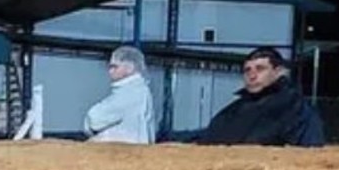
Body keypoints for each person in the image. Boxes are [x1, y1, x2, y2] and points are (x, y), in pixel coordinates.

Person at [161, 47, 324, 147]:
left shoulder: (296, 110)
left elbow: (309, 149)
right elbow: (210, 135)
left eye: (260, 69)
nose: (252, 75)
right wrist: (165, 138)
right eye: (247, 70)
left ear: (278, 71)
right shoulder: (236, 109)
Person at [83, 45, 155, 144]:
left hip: (121, 152)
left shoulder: (131, 93)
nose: (110, 71)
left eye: (115, 67)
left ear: (130, 67)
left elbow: (94, 120)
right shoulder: (143, 91)